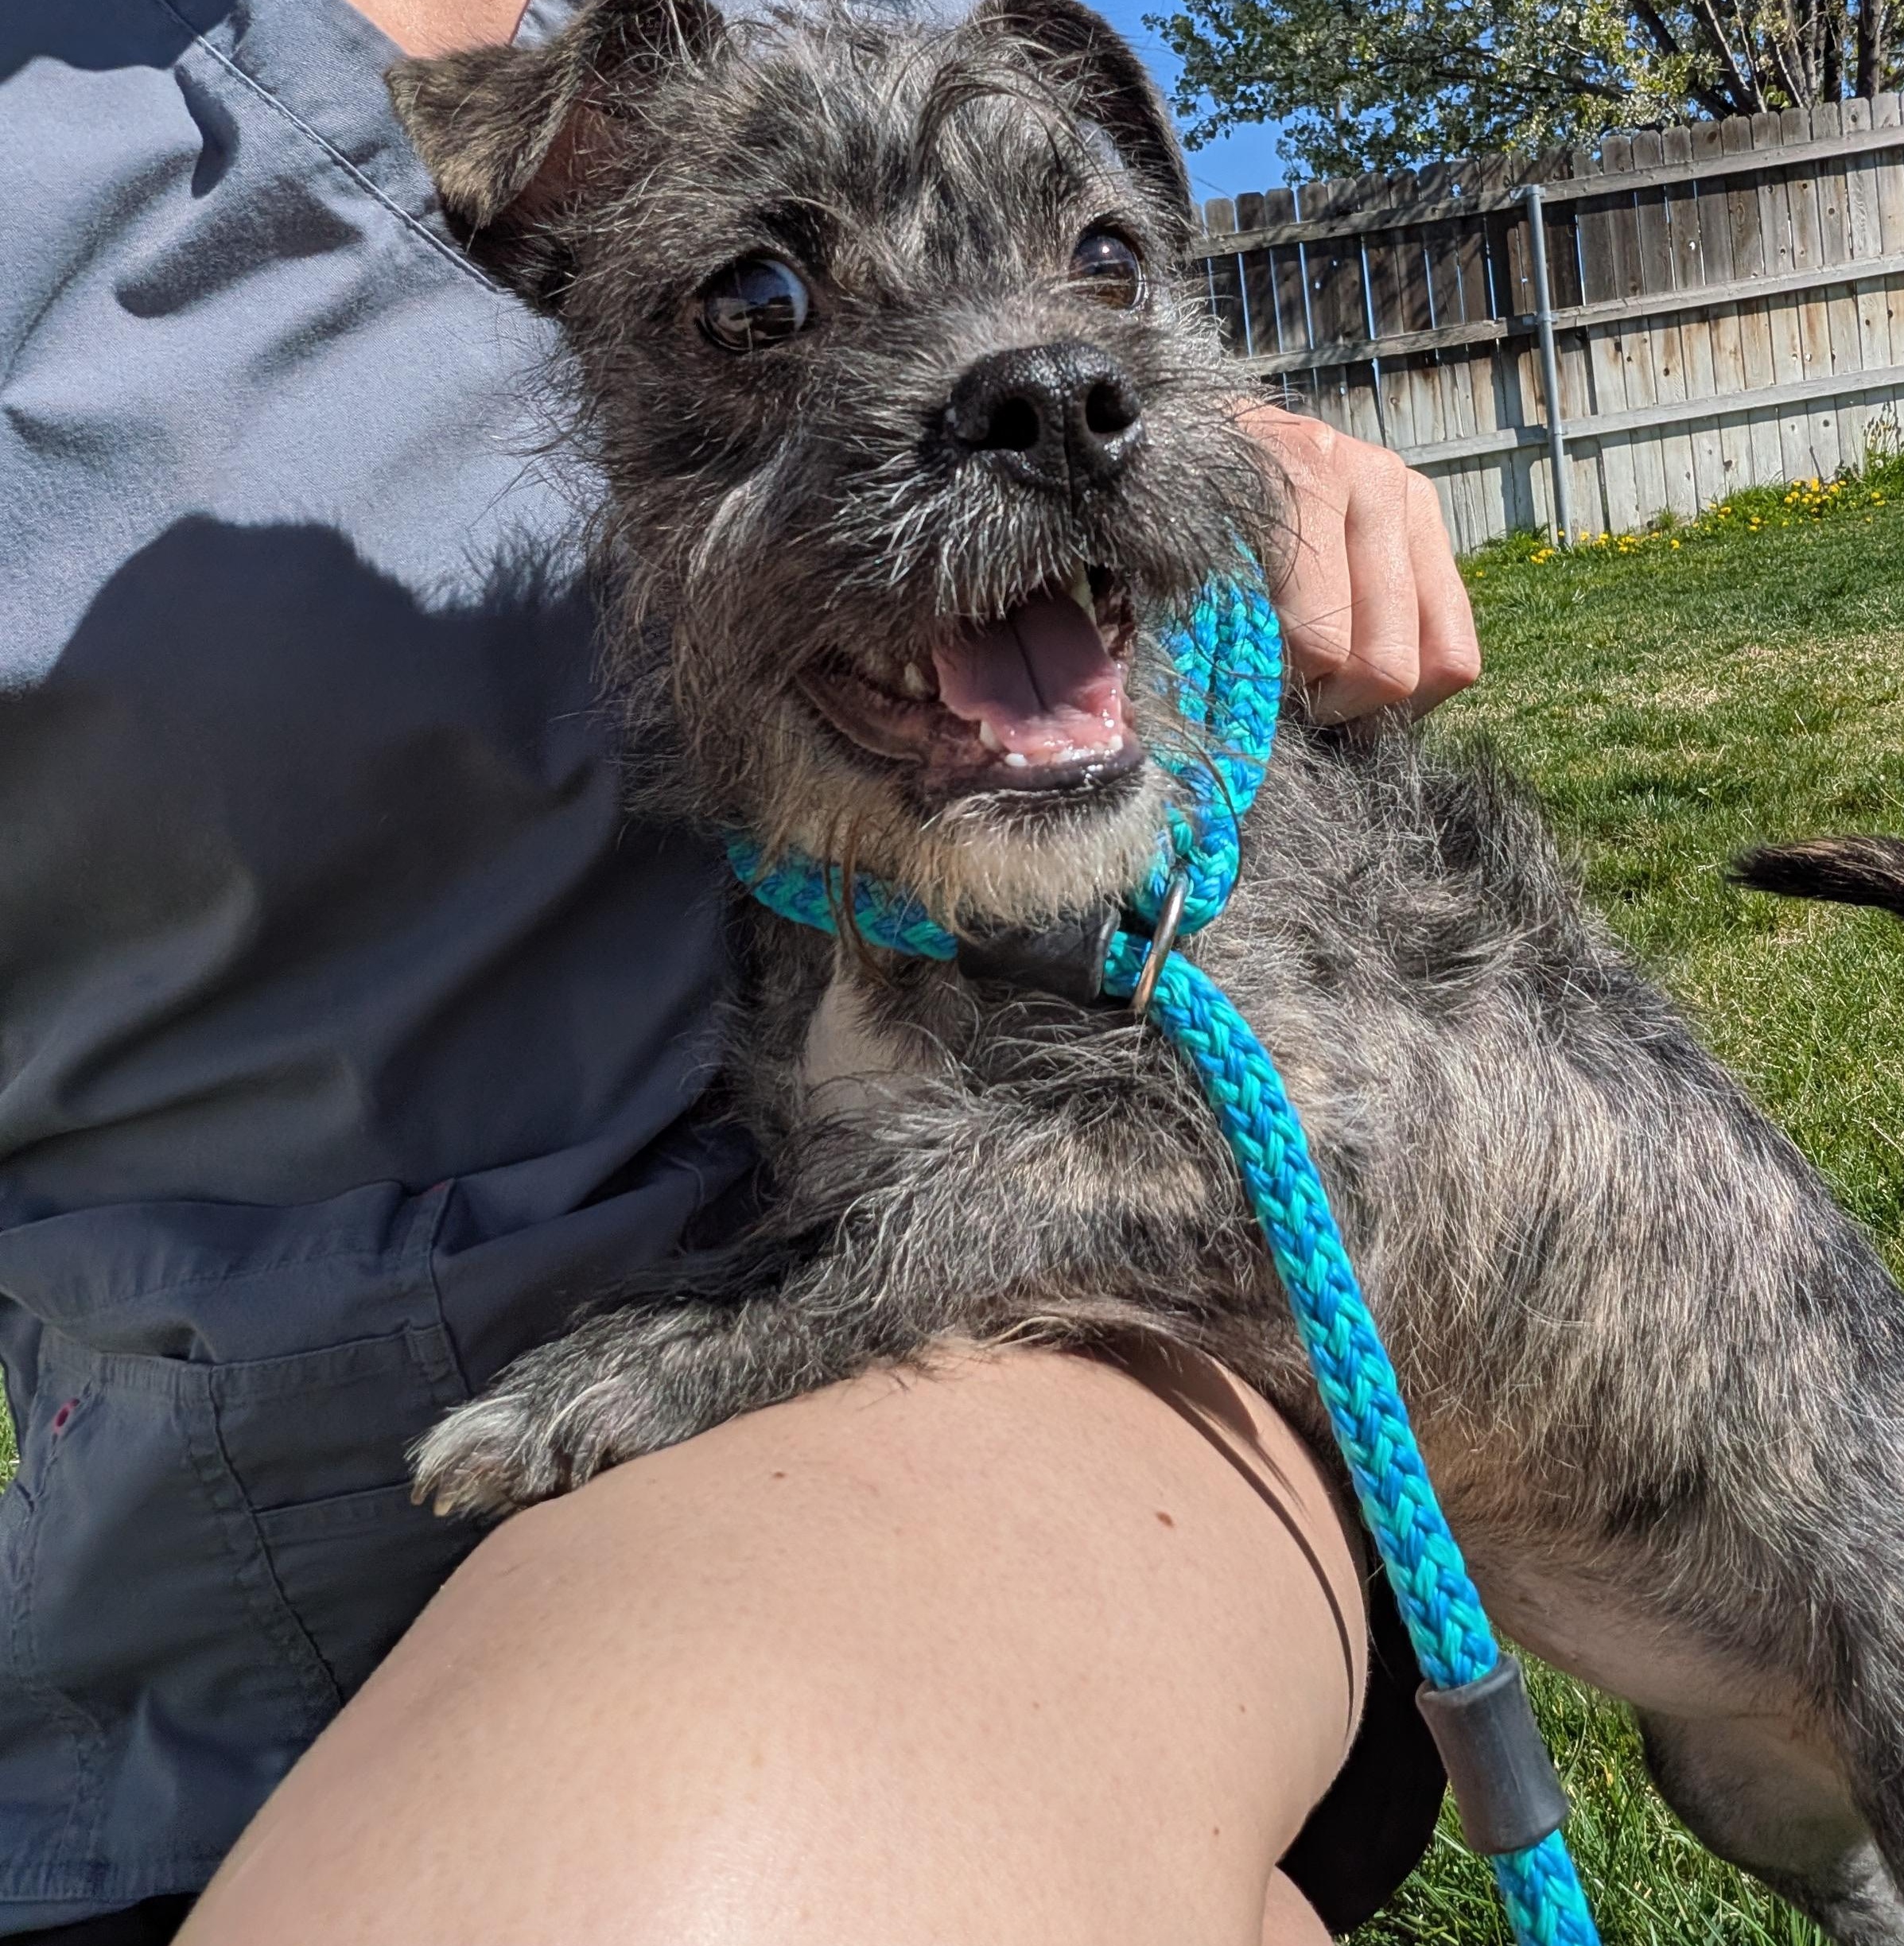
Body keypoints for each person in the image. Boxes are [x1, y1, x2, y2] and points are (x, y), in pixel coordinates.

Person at [0, 2, 1479, 1941]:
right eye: (763, 305)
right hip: (183, 1622)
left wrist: (1190, 434)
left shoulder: (821, 45)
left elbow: (1057, 329)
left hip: (997, 1299)